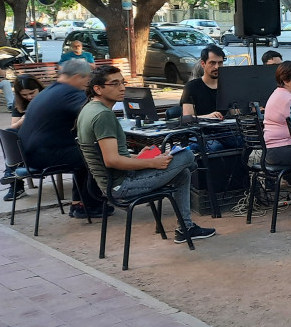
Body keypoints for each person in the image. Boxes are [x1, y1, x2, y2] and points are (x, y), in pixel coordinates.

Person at [77, 65, 215, 242]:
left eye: (123, 82)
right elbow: (111, 160)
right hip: (121, 186)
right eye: (115, 83)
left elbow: (110, 155)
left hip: (111, 182)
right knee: (188, 156)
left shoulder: (89, 109)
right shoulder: (103, 115)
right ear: (98, 89)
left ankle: (186, 228)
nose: (122, 87)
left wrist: (140, 157)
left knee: (183, 172)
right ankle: (186, 224)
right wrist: (153, 163)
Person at [18, 60, 109, 216]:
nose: (87, 84)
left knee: (85, 152)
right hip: (45, 155)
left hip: (30, 154)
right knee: (96, 154)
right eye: (87, 79)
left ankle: (79, 203)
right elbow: (93, 113)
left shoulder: (50, 91)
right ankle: (88, 205)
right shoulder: (70, 93)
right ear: (77, 76)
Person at [262, 61, 291, 168]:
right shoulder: (287, 99)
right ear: (285, 80)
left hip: (276, 149)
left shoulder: (279, 93)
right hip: (281, 150)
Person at [180, 44, 226, 119]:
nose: (217, 67)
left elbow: (236, 113)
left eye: (220, 63)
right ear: (203, 64)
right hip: (202, 129)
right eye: (212, 63)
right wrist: (208, 117)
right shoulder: (191, 87)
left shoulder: (227, 86)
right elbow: (187, 118)